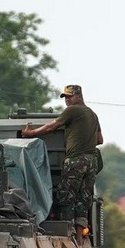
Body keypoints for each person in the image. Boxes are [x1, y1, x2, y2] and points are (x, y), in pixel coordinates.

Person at [21, 84, 103, 232]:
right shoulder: (92, 114)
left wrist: (31, 133)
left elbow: (51, 127)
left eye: (70, 96)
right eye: (65, 97)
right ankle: (79, 235)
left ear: (79, 96)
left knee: (66, 197)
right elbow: (99, 140)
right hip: (91, 162)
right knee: (83, 199)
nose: (67, 100)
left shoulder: (73, 110)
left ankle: (67, 232)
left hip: (75, 160)